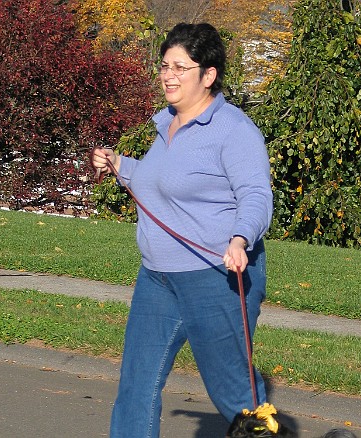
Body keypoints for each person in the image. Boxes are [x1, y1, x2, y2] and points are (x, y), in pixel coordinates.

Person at [92, 22, 273, 437]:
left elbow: (256, 196)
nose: (167, 75)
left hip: (216, 277)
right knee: (137, 385)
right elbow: (163, 184)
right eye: (164, 65)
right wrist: (119, 164)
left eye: (179, 67)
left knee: (235, 396)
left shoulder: (234, 130)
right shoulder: (166, 124)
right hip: (157, 277)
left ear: (208, 75)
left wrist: (240, 238)